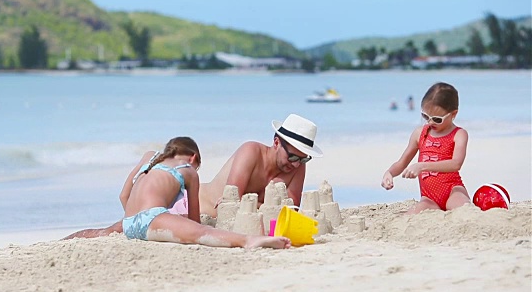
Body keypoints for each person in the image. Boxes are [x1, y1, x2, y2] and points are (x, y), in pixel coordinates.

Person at [63, 113, 322, 239]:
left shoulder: (298, 167)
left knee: (128, 227)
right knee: (115, 229)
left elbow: (289, 208)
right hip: (190, 205)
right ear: (276, 142)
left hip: (203, 216)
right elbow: (231, 199)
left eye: (303, 158)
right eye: (293, 156)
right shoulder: (251, 151)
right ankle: (73, 237)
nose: (296, 164)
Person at [69, 136, 290, 249]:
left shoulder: (149, 157)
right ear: (193, 158)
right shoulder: (188, 172)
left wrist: (135, 219)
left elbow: (123, 195)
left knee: (99, 232)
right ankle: (248, 241)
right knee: (202, 234)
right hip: (152, 218)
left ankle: (67, 238)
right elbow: (196, 223)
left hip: (129, 222)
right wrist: (177, 222)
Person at [381, 82, 471, 214]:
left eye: (437, 119)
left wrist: (422, 166)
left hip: (453, 190)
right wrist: (389, 173)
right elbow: (402, 162)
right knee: (410, 216)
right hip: (429, 198)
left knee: (464, 210)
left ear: (453, 114)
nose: (430, 122)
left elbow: (456, 163)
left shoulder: (459, 134)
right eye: (425, 116)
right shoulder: (420, 134)